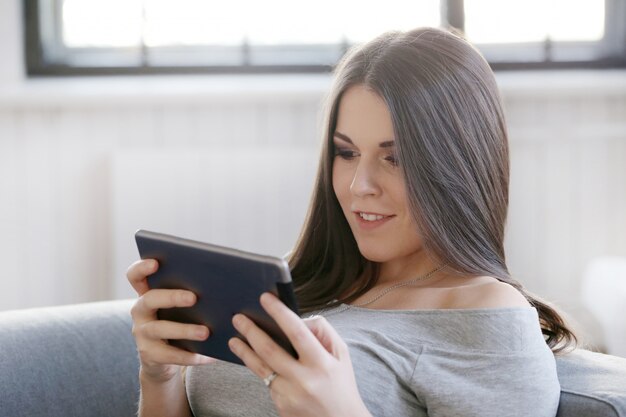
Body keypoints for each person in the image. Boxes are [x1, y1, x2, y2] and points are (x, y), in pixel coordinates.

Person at [127, 26, 578, 417]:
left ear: (458, 165)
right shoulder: (298, 282)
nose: (360, 184)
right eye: (346, 153)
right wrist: (161, 375)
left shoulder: (486, 318)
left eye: (395, 158)